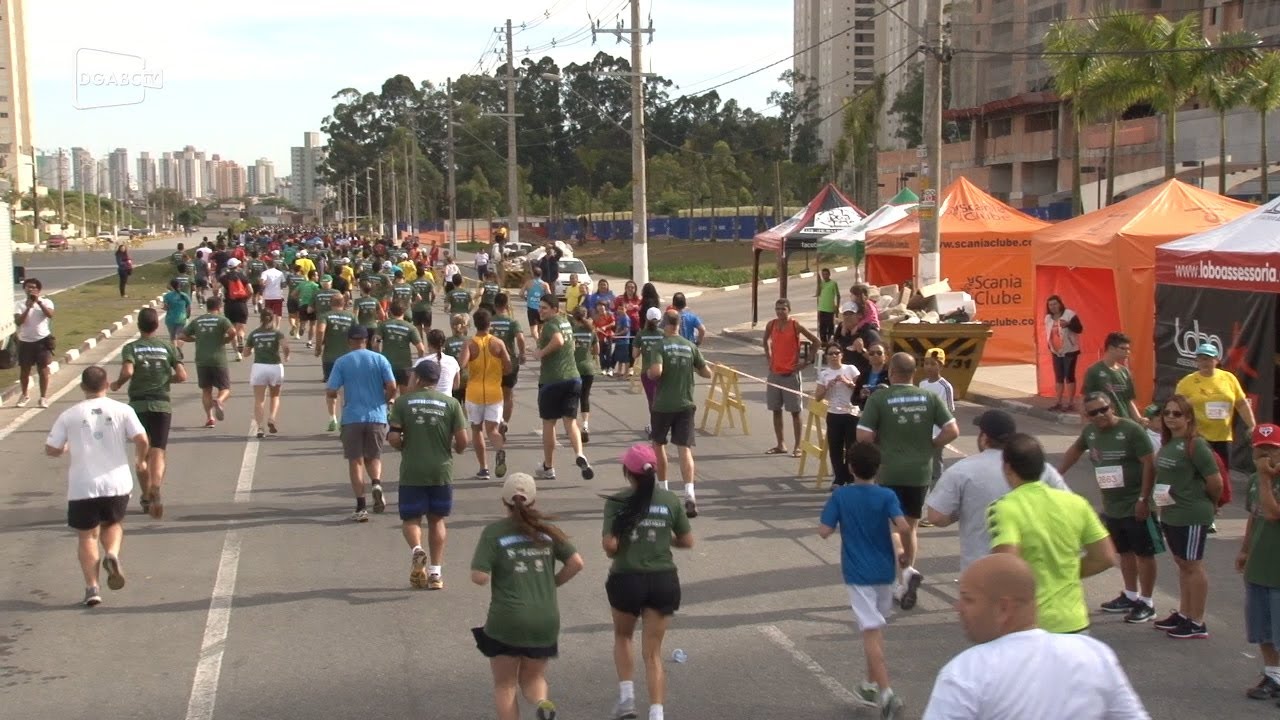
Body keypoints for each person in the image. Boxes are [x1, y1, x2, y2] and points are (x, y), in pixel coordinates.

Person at [922, 554, 1150, 720]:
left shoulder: (966, 671)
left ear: (1004, 608)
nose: (958, 607)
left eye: (968, 599)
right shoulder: (1094, 654)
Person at [470, 473, 585, 720]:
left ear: (504, 501)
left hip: (507, 619)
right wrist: (551, 583)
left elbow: (479, 577)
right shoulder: (548, 531)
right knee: (534, 678)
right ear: (533, 501)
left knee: (505, 685)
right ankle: (542, 703)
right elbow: (576, 563)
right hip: (544, 617)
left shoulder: (494, 532)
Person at [857, 352, 959, 610]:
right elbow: (952, 430)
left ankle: (905, 570)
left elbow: (863, 437)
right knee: (911, 527)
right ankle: (906, 578)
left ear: (891, 371)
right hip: (920, 472)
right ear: (914, 372)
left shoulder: (880, 398)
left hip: (890, 471)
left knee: (891, 527)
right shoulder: (929, 397)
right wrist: (932, 446)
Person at [818, 442, 912, 717]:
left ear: (850, 468)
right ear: (878, 468)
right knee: (876, 629)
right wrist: (904, 552)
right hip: (885, 570)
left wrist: (832, 524)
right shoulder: (886, 495)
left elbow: (824, 530)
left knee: (870, 631)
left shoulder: (841, 497)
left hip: (857, 573)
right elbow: (903, 526)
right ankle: (869, 686)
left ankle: (887, 694)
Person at [988, 434, 1116, 634]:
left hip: (1030, 626)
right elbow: (1106, 557)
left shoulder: (1004, 508)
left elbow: (1007, 568)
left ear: (1008, 467)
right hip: (1075, 623)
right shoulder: (1077, 503)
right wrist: (1068, 571)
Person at [602, 444, 695, 720]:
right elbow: (688, 541)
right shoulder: (669, 501)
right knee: (653, 653)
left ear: (627, 473)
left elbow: (610, 546)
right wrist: (666, 538)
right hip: (663, 580)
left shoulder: (617, 502)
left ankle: (628, 699)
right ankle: (657, 713)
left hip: (626, 578)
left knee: (623, 636)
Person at [46, 366, 149, 607]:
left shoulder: (69, 414)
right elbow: (142, 439)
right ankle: (112, 553)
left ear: (82, 387)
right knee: (112, 524)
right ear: (107, 384)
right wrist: (141, 460)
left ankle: (92, 588)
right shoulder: (123, 410)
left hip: (83, 485)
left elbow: (51, 449)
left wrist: (63, 448)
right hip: (117, 482)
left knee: (87, 536)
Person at [1058, 392, 1159, 624]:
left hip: (1135, 503)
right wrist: (1054, 475)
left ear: (1112, 407)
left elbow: (1149, 464)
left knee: (1144, 554)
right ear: (1088, 416)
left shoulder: (1132, 430)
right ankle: (1131, 594)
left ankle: (1147, 602)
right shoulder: (1090, 432)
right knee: (1124, 552)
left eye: (1104, 409)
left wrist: (1144, 499)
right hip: (1112, 505)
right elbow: (1074, 451)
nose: (1101, 415)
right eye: (1094, 412)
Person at [925, 411, 1068, 572]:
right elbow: (1067, 506)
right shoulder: (1041, 468)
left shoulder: (962, 470)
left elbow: (936, 517)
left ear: (984, 438)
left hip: (980, 571)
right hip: (1032, 570)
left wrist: (960, 512)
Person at [389, 359, 468, 590]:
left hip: (413, 470)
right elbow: (463, 442)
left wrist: (402, 445)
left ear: (418, 378)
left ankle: (417, 549)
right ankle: (435, 573)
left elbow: (393, 437)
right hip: (441, 470)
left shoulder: (403, 403)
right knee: (437, 519)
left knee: (411, 518)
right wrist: (454, 448)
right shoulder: (451, 404)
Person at [1151, 393, 1223, 639]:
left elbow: (1215, 482)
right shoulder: (1168, 443)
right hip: (1171, 514)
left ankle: (1197, 622)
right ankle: (1184, 614)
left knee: (1193, 565)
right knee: (1182, 564)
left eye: (1177, 413)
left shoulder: (1197, 445)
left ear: (1189, 418)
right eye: (1167, 413)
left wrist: (1210, 505)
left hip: (1192, 514)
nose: (1171, 417)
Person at [110, 308, 186, 518]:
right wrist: (164, 380)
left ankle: (145, 494)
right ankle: (156, 486)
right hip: (161, 405)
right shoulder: (168, 347)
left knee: (141, 453)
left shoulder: (132, 348)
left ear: (139, 325)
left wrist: (117, 383)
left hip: (138, 406)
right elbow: (182, 376)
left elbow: (128, 371)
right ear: (156, 325)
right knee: (158, 451)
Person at [325, 325, 397, 522]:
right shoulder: (380, 359)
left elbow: (331, 390)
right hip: (377, 415)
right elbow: (392, 386)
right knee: (373, 457)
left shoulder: (342, 362)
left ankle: (361, 506)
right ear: (366, 340)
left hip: (352, 417)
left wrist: (338, 394)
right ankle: (376, 483)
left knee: (355, 461)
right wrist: (386, 399)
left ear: (349, 341)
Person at [648, 309, 713, 519]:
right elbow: (706, 372)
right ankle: (690, 494)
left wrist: (650, 373)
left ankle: (664, 493)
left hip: (664, 405)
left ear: (665, 324)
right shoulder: (690, 346)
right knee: (684, 449)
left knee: (659, 446)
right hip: (685, 404)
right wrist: (690, 367)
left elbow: (656, 372)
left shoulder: (660, 345)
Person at [1239, 423, 1280, 702]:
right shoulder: (1256, 479)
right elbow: (1255, 515)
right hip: (1259, 565)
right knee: (1262, 628)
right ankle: (1273, 676)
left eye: (1272, 448)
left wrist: (1266, 478)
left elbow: (1273, 513)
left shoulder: (1263, 479)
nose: (1266, 454)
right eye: (1260, 449)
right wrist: (1244, 550)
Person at [534, 294, 593, 481]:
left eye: (544, 308)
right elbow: (571, 344)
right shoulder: (566, 322)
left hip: (552, 380)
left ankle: (548, 466)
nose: (541, 311)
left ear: (554, 309)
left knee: (549, 423)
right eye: (540, 307)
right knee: (570, 421)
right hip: (573, 378)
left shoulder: (551, 325)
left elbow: (558, 341)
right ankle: (579, 454)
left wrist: (541, 353)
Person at [1176, 341, 1256, 470]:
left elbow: (1241, 404)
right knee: (1199, 473)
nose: (1204, 362)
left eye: (1208, 359)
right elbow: (1177, 410)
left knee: (1222, 474)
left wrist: (1252, 425)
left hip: (1223, 438)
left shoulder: (1229, 378)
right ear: (1196, 361)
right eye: (1201, 359)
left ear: (1217, 360)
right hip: (1198, 437)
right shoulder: (1186, 383)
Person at [763, 298, 821, 456]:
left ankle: (798, 446)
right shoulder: (772, 324)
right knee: (776, 410)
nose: (780, 312)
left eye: (783, 309)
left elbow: (816, 341)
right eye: (777, 309)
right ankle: (780, 444)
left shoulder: (796, 325)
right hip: (775, 374)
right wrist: (769, 357)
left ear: (789, 310)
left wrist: (807, 361)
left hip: (791, 375)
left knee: (795, 411)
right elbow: (765, 340)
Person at [460, 308, 513, 480]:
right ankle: (500, 451)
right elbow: (509, 366)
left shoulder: (469, 343)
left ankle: (484, 468)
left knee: (476, 430)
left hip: (474, 392)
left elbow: (462, 364)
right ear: (490, 324)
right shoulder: (498, 343)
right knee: (493, 430)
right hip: (494, 393)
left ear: (475, 324)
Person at [181, 297, 235, 429]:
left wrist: (195, 339)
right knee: (225, 388)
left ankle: (210, 418)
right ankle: (220, 400)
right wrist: (226, 340)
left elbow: (182, 335)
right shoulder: (222, 320)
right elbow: (233, 332)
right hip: (218, 359)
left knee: (206, 390)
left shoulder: (198, 320)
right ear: (219, 307)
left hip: (202, 360)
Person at [815, 341, 860, 488]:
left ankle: (849, 476)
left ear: (842, 355)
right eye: (831, 354)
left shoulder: (851, 369)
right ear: (827, 357)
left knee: (851, 447)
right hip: (834, 413)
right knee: (835, 447)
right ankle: (839, 478)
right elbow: (818, 397)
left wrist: (848, 383)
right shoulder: (825, 374)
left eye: (837, 353)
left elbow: (859, 390)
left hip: (851, 412)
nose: (834, 356)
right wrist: (828, 386)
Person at [244, 310, 290, 439]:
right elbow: (285, 346)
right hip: (275, 366)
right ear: (272, 318)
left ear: (261, 318)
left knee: (259, 400)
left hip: (259, 367)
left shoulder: (254, 333)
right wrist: (287, 356)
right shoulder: (277, 333)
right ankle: (272, 418)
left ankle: (260, 428)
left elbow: (246, 353)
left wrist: (251, 350)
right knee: (275, 396)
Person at [315, 293, 358, 431]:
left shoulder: (325, 316)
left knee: (331, 388)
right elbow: (358, 334)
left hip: (330, 357)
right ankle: (344, 418)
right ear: (344, 303)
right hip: (348, 357)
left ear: (330, 303)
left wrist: (318, 347)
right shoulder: (351, 317)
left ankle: (332, 417)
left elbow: (320, 330)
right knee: (346, 389)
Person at [918, 347, 956, 496]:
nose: (929, 367)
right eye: (926, 363)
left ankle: (936, 499)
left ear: (941, 365)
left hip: (937, 434)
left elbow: (949, 412)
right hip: (923, 433)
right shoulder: (922, 384)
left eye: (933, 364)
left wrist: (942, 434)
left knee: (935, 469)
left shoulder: (945, 387)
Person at [1082, 332, 1142, 422]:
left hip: (1124, 422)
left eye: (1128, 349)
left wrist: (1139, 419)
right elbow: (1084, 399)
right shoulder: (1094, 371)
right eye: (1123, 348)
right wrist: (1088, 424)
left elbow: (1128, 400)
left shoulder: (1124, 371)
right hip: (1103, 422)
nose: (1127, 352)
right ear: (1111, 348)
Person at [15, 277, 56, 408]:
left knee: (43, 370)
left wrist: (39, 303)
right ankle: (25, 394)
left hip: (42, 340)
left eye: (33, 287)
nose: (30, 289)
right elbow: (18, 322)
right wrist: (28, 308)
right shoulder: (19, 304)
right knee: (24, 371)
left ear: (38, 290)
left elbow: (50, 315)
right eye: (28, 287)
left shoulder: (46, 301)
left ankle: (43, 397)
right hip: (25, 341)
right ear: (24, 289)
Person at [490, 293, 526, 435]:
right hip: (510, 362)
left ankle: (496, 420)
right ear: (507, 305)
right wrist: (522, 353)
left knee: (493, 394)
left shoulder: (489, 321)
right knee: (508, 394)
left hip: (493, 363)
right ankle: (504, 422)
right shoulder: (512, 322)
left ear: (494, 305)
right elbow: (520, 337)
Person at [1044, 295, 1082, 412]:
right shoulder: (1048, 318)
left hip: (1069, 350)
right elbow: (1048, 333)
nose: (1053, 307)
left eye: (1055, 304)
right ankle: (1058, 402)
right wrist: (1050, 346)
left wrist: (1069, 324)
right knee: (1058, 377)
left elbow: (1079, 329)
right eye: (1050, 305)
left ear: (1060, 304)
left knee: (1069, 376)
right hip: (1056, 351)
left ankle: (1070, 402)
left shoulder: (1070, 314)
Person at [378, 301, 426, 394]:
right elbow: (421, 349)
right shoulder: (411, 327)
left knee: (387, 395)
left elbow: (375, 342)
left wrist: (379, 357)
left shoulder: (383, 325)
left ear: (390, 312)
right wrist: (418, 363)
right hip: (405, 366)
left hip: (387, 365)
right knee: (404, 396)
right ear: (404, 312)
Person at [569, 307, 600, 443]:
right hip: (588, 368)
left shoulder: (572, 331)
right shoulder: (591, 331)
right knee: (585, 397)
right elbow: (597, 351)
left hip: (574, 368)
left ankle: (573, 427)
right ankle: (585, 426)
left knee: (573, 398)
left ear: (574, 318)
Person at [218, 257, 252, 359]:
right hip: (241, 304)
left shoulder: (224, 277)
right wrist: (246, 299)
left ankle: (238, 353)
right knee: (240, 328)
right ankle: (241, 338)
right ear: (238, 266)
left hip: (229, 305)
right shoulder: (243, 276)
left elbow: (216, 288)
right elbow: (251, 291)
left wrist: (218, 297)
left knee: (232, 329)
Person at [634, 308, 665, 413]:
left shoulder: (641, 334)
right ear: (660, 319)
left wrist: (644, 348)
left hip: (647, 372)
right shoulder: (663, 334)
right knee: (663, 399)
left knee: (651, 400)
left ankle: (654, 424)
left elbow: (634, 355)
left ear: (646, 319)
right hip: (663, 371)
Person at [417, 328, 462, 397]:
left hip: (427, 400)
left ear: (428, 344)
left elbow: (411, 387)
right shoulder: (453, 361)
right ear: (443, 344)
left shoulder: (421, 362)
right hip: (446, 400)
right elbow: (456, 386)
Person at [162, 279, 193, 343]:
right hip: (182, 319)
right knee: (179, 337)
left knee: (172, 338)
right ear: (180, 286)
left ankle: (175, 351)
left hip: (170, 319)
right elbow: (188, 307)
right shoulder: (184, 295)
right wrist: (187, 316)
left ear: (171, 286)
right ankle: (177, 351)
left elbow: (166, 308)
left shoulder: (167, 296)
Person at [524, 266, 550, 340]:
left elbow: (521, 293)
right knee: (541, 329)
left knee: (534, 331)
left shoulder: (528, 283)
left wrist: (526, 298)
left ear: (533, 274)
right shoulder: (545, 284)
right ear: (541, 274)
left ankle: (538, 344)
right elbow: (549, 295)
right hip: (541, 308)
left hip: (531, 308)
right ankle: (541, 345)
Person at [815, 267, 840, 344]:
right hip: (822, 308)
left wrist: (837, 306)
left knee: (830, 327)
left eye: (826, 274)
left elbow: (838, 295)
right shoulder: (821, 284)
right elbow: (818, 294)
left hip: (830, 309)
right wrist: (818, 282)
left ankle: (830, 342)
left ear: (829, 274)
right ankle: (823, 343)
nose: (824, 276)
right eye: (823, 274)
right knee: (822, 327)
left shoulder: (833, 283)